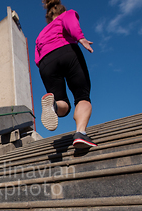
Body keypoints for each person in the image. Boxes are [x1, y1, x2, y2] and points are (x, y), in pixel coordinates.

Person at [35, 0, 97, 148]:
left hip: (45, 63)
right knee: (82, 97)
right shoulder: (67, 15)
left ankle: (54, 106)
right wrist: (80, 38)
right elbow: (71, 22)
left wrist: (46, 68)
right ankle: (81, 133)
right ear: (61, 11)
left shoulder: (41, 34)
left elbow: (37, 58)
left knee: (63, 104)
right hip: (67, 51)